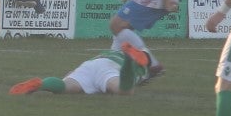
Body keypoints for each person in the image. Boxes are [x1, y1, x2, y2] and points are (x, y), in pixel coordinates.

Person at [9, 45, 151, 96]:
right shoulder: (142, 67)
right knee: (124, 91)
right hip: (110, 67)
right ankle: (129, 60)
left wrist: (68, 78)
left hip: (91, 64)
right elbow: (130, 82)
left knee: (65, 86)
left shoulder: (110, 52)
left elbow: (70, 73)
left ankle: (42, 84)